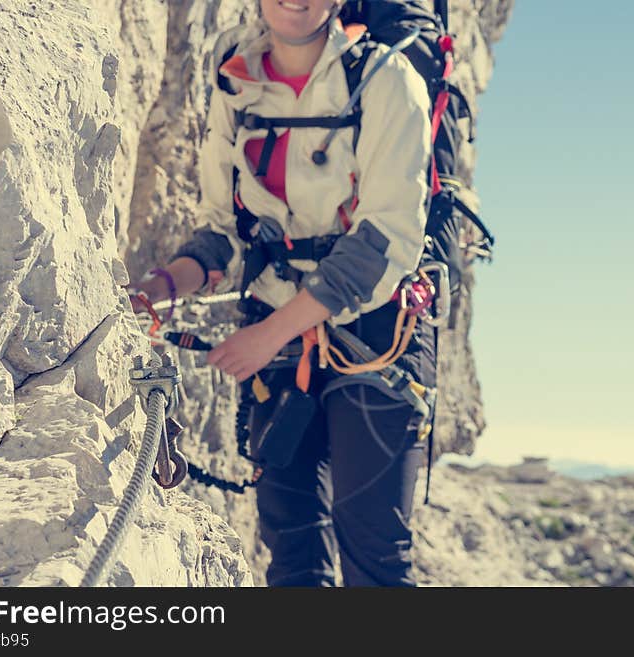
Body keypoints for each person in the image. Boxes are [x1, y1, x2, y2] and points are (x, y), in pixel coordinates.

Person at [128, 0, 436, 587]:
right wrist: (163, 287)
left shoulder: (386, 80)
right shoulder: (238, 82)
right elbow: (223, 227)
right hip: (274, 334)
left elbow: (383, 238)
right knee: (292, 548)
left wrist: (269, 335)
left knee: (373, 548)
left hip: (371, 333)